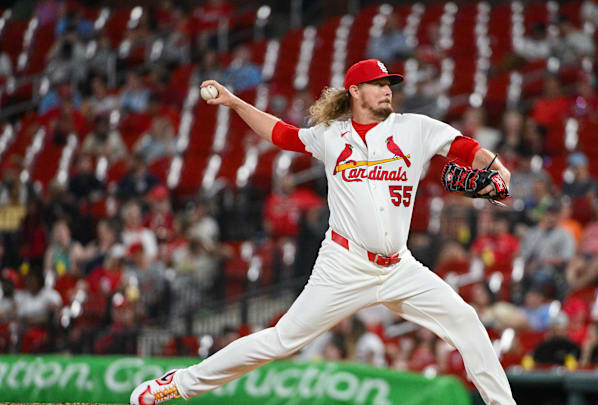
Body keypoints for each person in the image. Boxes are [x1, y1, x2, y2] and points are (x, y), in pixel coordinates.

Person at [131, 59, 516, 404]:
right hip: (343, 265)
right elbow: (280, 134)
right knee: (282, 340)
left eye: (389, 84)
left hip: (400, 267)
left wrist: (495, 165)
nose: (387, 90)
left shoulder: (414, 128)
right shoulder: (331, 134)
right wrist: (234, 103)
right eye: (379, 83)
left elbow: (463, 147)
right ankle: (178, 384)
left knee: (466, 321)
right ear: (355, 91)